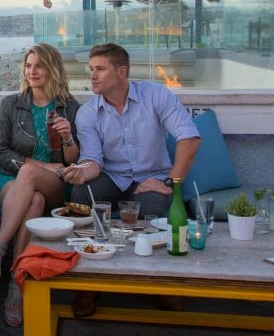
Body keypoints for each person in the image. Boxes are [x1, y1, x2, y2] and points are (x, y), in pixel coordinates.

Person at [61, 43, 201, 317]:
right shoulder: (88, 112)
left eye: (100, 69)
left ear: (121, 72)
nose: (92, 76)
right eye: (91, 69)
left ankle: (162, 285)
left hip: (152, 176)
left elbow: (189, 137)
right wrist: (81, 172)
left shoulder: (155, 95)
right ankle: (88, 284)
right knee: (81, 196)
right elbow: (93, 159)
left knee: (151, 207)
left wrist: (171, 183)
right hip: (112, 176)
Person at [0, 43, 81, 327]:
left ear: (53, 68)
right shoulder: (11, 104)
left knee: (32, 179)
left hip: (56, 184)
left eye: (39, 66)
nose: (32, 71)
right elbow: (1, 154)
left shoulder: (69, 106)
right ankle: (15, 286)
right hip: (12, 181)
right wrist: (41, 165)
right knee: (33, 200)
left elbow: (74, 160)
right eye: (29, 66)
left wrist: (68, 137)